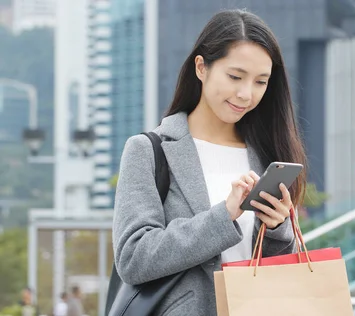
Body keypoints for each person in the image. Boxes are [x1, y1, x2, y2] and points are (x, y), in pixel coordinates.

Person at [112, 9, 307, 316]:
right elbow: (133, 258)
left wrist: (277, 229)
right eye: (235, 77)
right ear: (201, 67)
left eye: (260, 82)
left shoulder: (267, 156)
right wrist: (224, 215)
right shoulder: (149, 151)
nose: (246, 94)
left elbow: (275, 274)